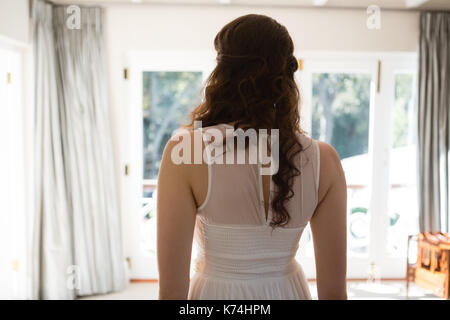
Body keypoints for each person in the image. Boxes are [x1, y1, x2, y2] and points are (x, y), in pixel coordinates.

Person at [157, 14, 347, 300]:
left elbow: (171, 292)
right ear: (286, 78)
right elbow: (334, 294)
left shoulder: (186, 153)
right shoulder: (325, 160)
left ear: (220, 76)